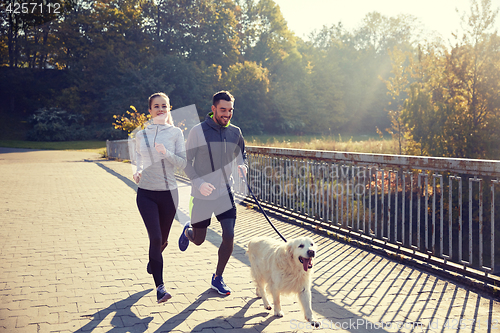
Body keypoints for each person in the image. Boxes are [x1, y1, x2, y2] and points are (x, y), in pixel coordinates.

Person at [179, 90, 247, 295]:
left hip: (225, 192)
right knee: (199, 240)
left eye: (230, 110)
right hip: (202, 194)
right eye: (223, 110)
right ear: (213, 109)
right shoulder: (197, 132)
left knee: (229, 236)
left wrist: (244, 165)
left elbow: (242, 154)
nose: (227, 114)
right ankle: (187, 231)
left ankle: (217, 278)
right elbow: (185, 163)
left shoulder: (235, 131)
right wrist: (198, 183)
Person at [133, 92, 186, 303]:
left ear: (169, 108)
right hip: (146, 194)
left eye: (164, 105)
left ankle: (153, 260)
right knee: (155, 238)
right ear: (150, 110)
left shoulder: (176, 133)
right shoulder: (141, 134)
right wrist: (137, 171)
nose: (161, 109)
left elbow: (182, 163)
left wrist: (166, 154)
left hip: (169, 195)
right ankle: (160, 288)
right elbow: (138, 157)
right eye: (156, 106)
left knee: (162, 241)